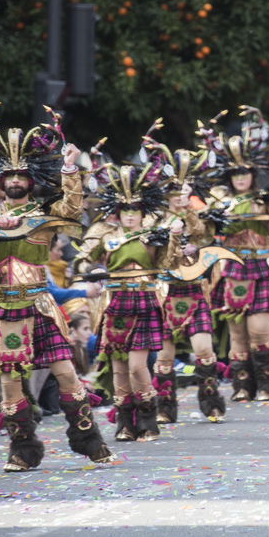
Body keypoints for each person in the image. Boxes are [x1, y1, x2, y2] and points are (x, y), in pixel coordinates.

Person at [0, 104, 113, 471]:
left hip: (39, 305)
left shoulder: (44, 213)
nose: (14, 179)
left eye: (21, 174)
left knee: (66, 374)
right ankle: (22, 451)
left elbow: (73, 210)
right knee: (10, 385)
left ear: (31, 178)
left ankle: (90, 441)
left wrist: (71, 168)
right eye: (8, 173)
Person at [76, 159, 184, 442]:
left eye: (136, 209)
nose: (131, 215)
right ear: (118, 211)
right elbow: (80, 260)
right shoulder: (103, 233)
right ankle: (124, 423)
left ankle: (148, 419)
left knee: (138, 366)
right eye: (126, 210)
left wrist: (174, 238)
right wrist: (92, 270)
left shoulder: (154, 235)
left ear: (143, 210)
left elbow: (169, 263)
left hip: (145, 299)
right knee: (119, 369)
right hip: (114, 302)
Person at [200, 106, 269, 403]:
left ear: (253, 174)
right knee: (237, 333)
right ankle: (242, 386)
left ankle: (268, 386)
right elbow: (203, 232)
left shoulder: (264, 200)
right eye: (235, 172)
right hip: (230, 267)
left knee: (258, 330)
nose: (240, 177)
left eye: (245, 172)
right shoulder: (218, 198)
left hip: (261, 266)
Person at [142, 137, 226, 424]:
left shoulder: (196, 213)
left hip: (193, 289)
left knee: (204, 350)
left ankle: (212, 403)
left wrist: (194, 238)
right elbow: (151, 254)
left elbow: (204, 235)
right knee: (164, 358)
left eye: (183, 190)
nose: (178, 195)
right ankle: (165, 408)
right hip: (165, 291)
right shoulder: (152, 220)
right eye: (173, 190)